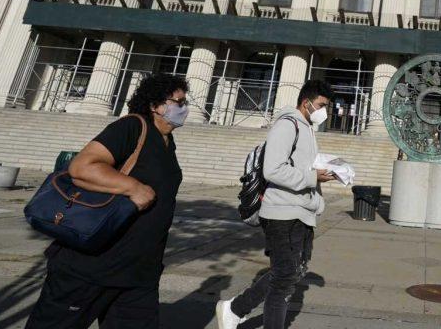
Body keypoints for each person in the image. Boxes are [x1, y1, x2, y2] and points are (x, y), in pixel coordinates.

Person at [25, 72, 189, 329]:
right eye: (178, 102)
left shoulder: (168, 142)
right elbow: (82, 167)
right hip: (91, 267)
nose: (184, 108)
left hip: (138, 274)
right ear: (155, 105)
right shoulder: (132, 127)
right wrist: (132, 186)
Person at [217, 79, 337, 329]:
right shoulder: (288, 124)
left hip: (301, 213)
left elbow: (302, 170)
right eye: (321, 105)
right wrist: (313, 177)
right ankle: (239, 311)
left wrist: (321, 181)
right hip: (282, 213)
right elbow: (273, 170)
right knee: (284, 277)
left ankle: (235, 308)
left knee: (294, 271)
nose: (325, 111)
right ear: (306, 103)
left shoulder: (307, 129)